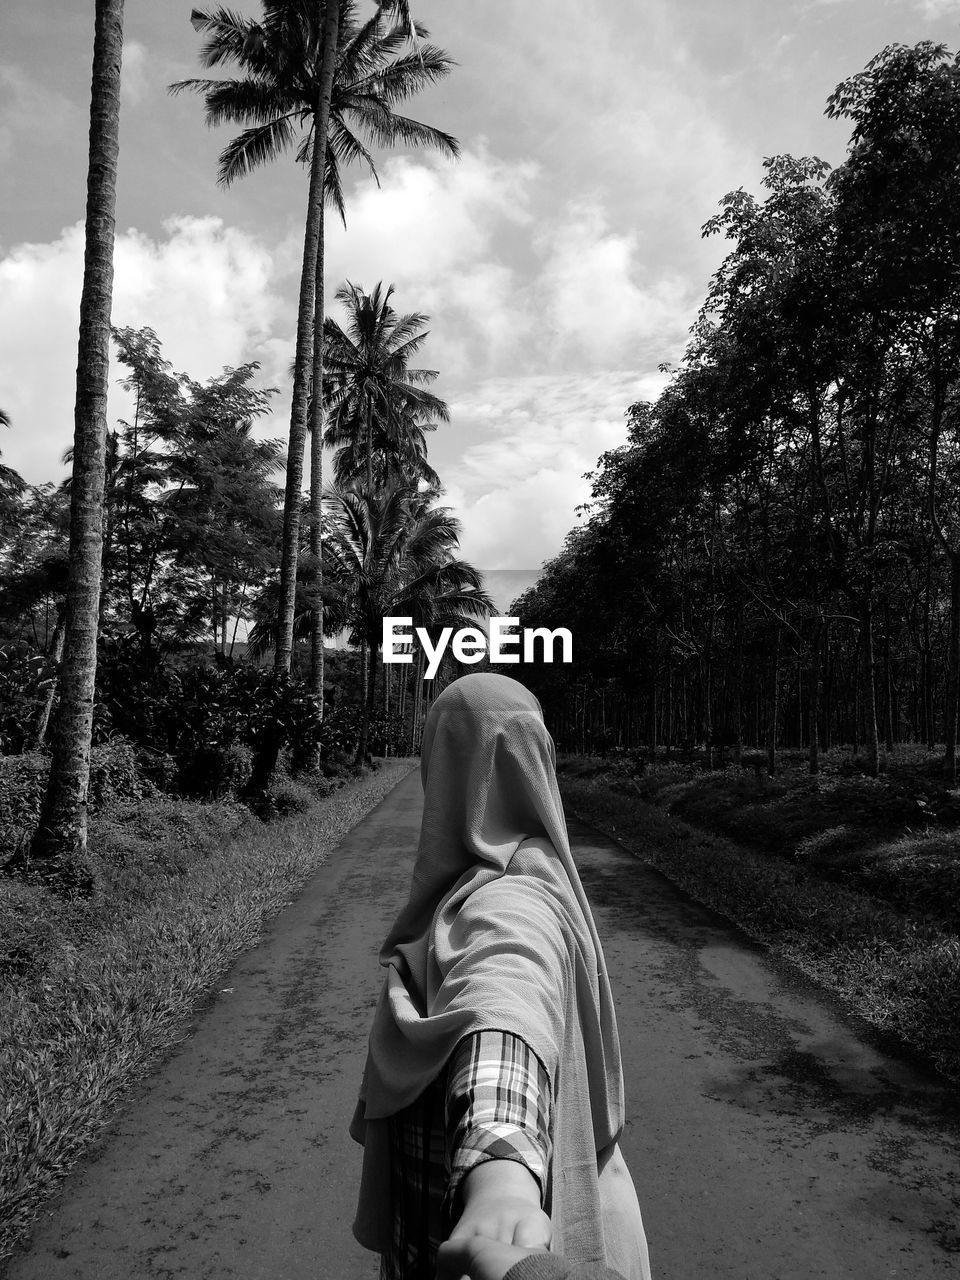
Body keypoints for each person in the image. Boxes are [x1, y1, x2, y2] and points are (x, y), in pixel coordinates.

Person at [349, 673, 651, 1280]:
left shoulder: (508, 902)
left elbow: (503, 996)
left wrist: (502, 1181)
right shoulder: (522, 877)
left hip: (479, 1249)